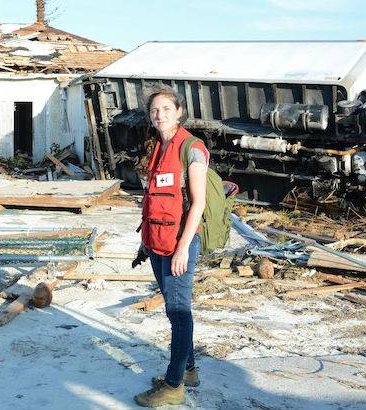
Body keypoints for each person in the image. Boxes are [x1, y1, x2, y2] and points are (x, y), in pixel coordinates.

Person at [134, 85, 209, 407]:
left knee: (179, 313)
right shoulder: (157, 147)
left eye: (166, 108)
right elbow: (153, 202)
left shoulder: (191, 148)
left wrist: (182, 249)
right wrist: (144, 243)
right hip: (157, 242)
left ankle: (174, 384)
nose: (159, 114)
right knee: (173, 309)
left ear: (179, 112)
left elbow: (198, 204)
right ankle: (189, 370)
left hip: (180, 244)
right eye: (154, 110)